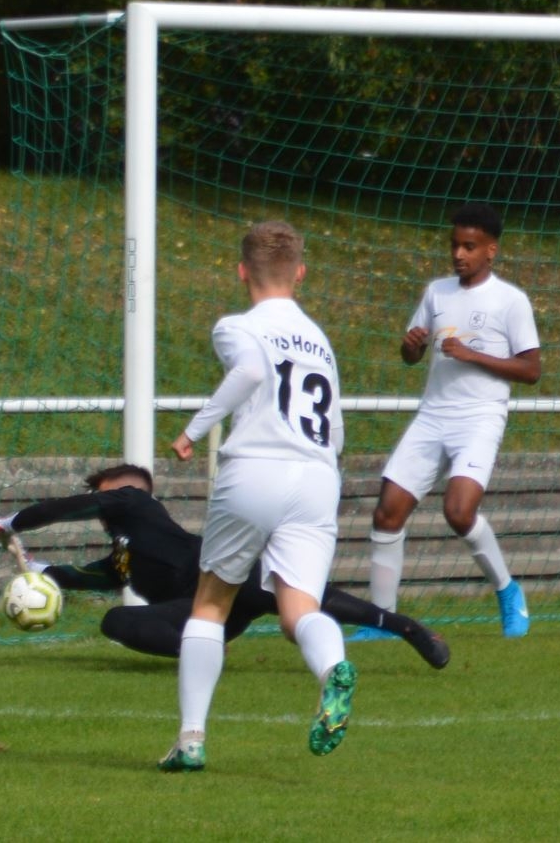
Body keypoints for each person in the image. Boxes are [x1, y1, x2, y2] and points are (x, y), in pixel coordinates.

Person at [150, 220, 353, 773]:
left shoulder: (237, 326)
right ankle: (331, 669)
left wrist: (192, 431)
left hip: (257, 469)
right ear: (300, 273)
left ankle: (192, 738)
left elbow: (249, 369)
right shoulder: (320, 340)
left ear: (242, 272)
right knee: (299, 611)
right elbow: (335, 431)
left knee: (211, 603)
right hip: (317, 477)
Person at [0, 463, 449, 668]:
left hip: (224, 579)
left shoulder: (135, 502)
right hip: (202, 614)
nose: (100, 500)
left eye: (105, 492)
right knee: (115, 620)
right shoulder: (123, 554)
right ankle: (201, 656)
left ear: (130, 491)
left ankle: (405, 627)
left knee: (298, 597)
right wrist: (40, 571)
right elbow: (87, 577)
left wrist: (12, 522)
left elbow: (68, 507)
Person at [363, 203, 541, 639]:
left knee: (459, 512)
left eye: (469, 246)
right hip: (433, 415)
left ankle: (508, 590)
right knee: (387, 512)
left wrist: (472, 355)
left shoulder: (510, 301)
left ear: (491, 250)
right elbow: (410, 356)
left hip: (479, 417)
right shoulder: (436, 292)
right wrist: (411, 345)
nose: (459, 254)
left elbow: (531, 370)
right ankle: (383, 622)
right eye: (455, 245)